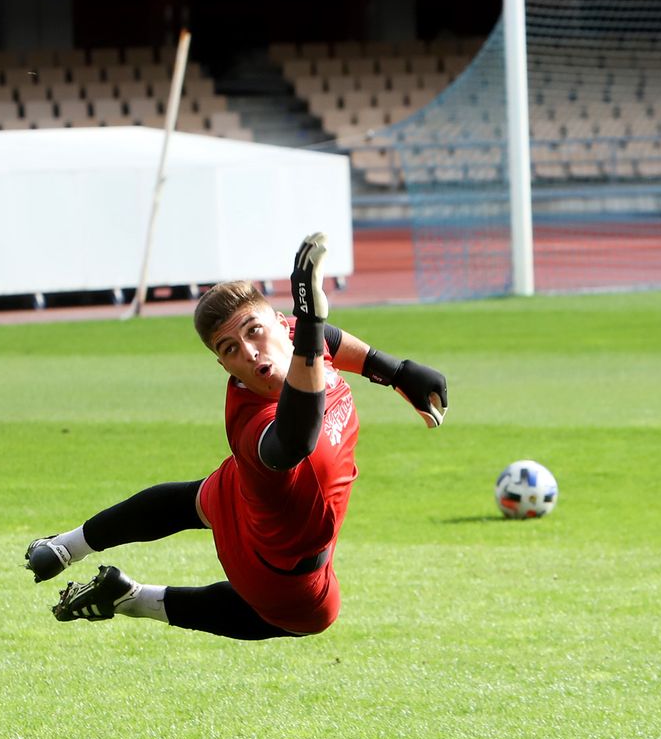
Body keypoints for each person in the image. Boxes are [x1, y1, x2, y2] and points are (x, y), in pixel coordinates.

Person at [25, 232, 448, 641]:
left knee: (190, 501)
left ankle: (64, 547)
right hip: (279, 566)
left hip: (239, 495)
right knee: (314, 616)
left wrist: (392, 371)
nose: (248, 352)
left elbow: (326, 341)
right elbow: (297, 436)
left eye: (253, 331)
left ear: (284, 325)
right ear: (223, 365)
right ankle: (134, 600)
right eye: (228, 350)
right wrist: (314, 327)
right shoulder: (254, 422)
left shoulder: (301, 339)